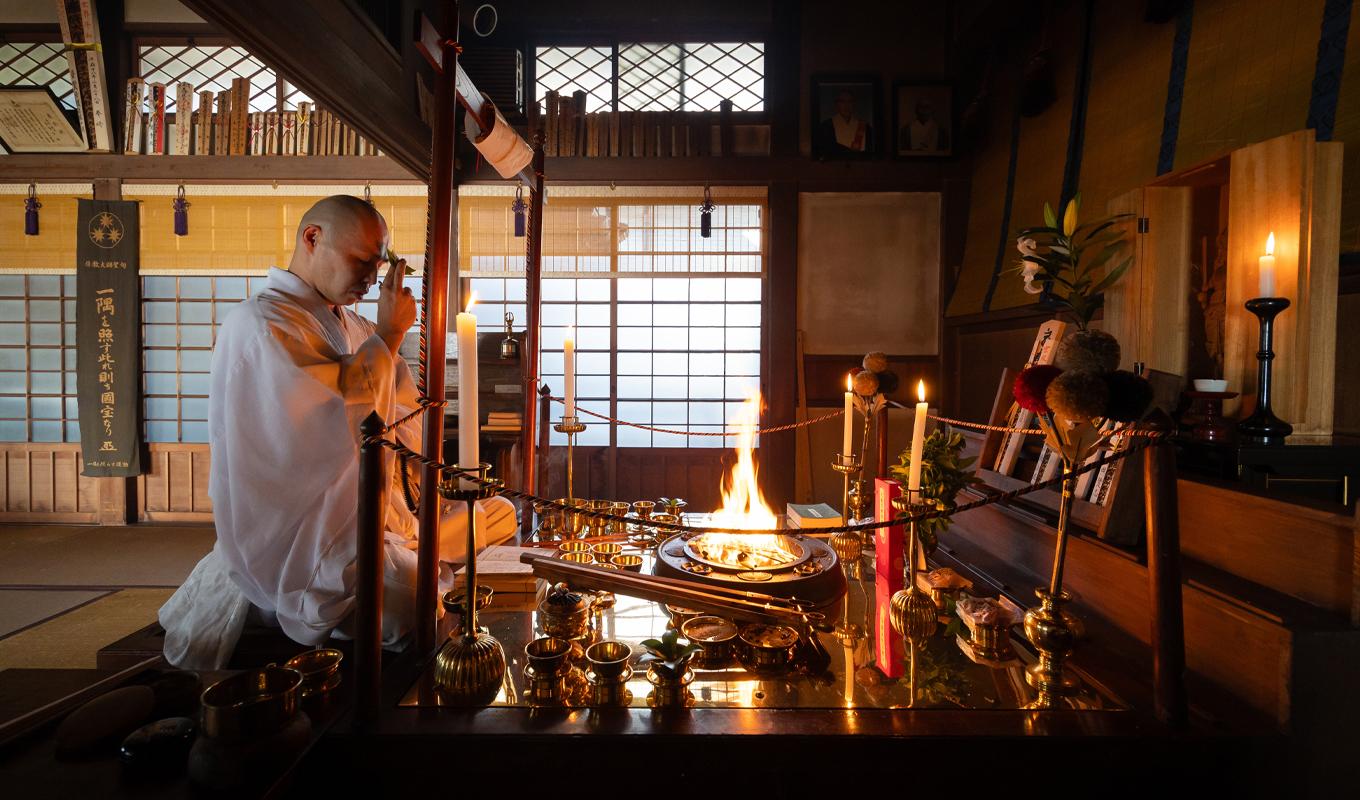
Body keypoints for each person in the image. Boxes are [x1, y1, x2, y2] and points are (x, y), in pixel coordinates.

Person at [159, 195, 517, 668]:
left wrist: (427, 479)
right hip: (306, 540)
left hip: (384, 514)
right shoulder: (260, 325)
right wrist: (388, 338)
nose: (371, 277)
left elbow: (402, 411)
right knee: (415, 603)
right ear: (312, 238)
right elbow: (334, 424)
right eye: (361, 261)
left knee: (499, 512)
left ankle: (422, 550)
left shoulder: (350, 323)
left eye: (378, 263)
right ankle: (419, 562)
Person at [818, 88, 874, 154]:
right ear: (836, 105)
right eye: (842, 101)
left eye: (850, 101)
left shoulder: (865, 127)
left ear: (854, 104)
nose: (846, 105)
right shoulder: (826, 126)